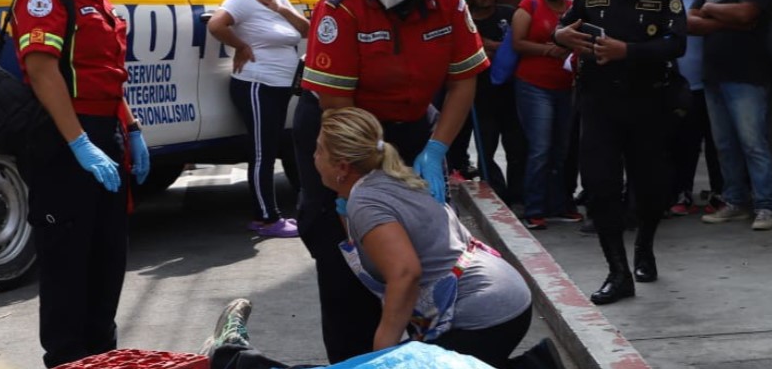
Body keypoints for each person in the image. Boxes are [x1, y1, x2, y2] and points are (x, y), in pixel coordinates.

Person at [201, 109, 561, 369]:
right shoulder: (390, 178)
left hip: (483, 313)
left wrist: (384, 353)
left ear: (342, 166)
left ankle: (234, 359)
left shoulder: (366, 200)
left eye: (319, 152)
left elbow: (405, 274)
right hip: (505, 301)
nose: (312, 159)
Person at [296, 0, 488, 362]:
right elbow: (338, 110)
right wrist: (358, 189)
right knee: (348, 265)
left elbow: (463, 82)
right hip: (341, 133)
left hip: (411, 128)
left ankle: (409, 357)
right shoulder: (339, 8)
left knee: (419, 263)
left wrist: (437, 149)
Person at [8, 0, 150, 367]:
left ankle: (102, 357)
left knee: (106, 261)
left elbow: (105, 75)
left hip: (103, 131)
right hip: (65, 140)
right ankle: (69, 360)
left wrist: (129, 129)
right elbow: (43, 72)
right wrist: (79, 144)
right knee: (68, 268)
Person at [555, 0, 686, 305]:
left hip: (648, 103)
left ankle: (644, 247)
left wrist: (627, 51)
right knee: (600, 187)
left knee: (649, 189)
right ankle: (618, 272)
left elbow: (677, 43)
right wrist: (559, 36)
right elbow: (564, 27)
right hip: (598, 103)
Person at [207, 0, 309, 238]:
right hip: (256, 85)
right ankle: (266, 217)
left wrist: (282, 9)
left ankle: (268, 213)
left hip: (279, 86)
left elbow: (305, 29)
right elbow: (216, 24)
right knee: (262, 151)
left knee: (272, 146)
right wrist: (240, 45)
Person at [688, 0, 772, 231]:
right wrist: (730, 20)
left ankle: (766, 204)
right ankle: (736, 201)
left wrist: (713, 9)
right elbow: (690, 21)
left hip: (747, 75)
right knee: (724, 144)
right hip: (714, 74)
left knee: (753, 143)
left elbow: (747, 14)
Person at [510, 0, 579, 230]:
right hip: (534, 86)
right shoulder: (530, 5)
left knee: (561, 150)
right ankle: (535, 207)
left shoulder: (573, 9)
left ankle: (560, 203)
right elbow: (518, 42)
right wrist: (548, 50)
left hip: (566, 86)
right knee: (540, 148)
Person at [460, 0, 525, 207]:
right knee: (486, 150)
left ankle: (519, 195)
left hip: (511, 94)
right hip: (481, 96)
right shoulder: (465, 21)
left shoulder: (508, 15)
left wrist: (494, 46)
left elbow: (519, 44)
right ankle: (498, 192)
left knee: (517, 148)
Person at [670, 0, 723, 216]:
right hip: (684, 79)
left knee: (717, 142)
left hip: (715, 77)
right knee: (685, 142)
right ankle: (683, 192)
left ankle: (719, 193)